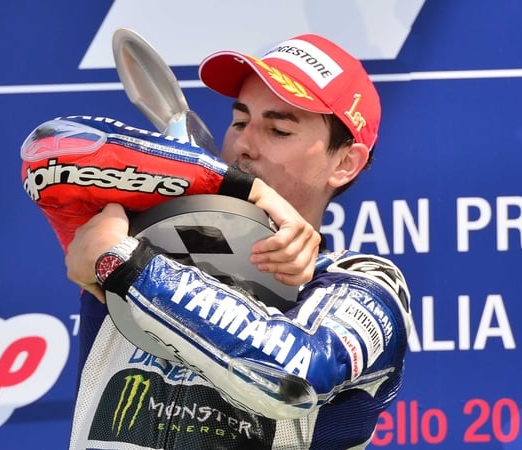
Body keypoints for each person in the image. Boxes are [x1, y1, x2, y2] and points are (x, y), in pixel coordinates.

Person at [28, 33, 413, 449]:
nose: (244, 145)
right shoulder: (145, 229)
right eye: (240, 121)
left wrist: (124, 266)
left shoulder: (357, 281)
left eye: (279, 129)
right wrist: (239, 187)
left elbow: (297, 376)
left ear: (344, 162)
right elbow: (47, 153)